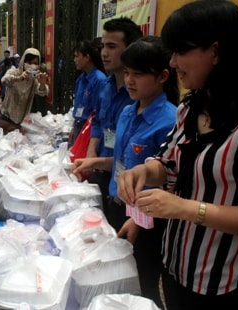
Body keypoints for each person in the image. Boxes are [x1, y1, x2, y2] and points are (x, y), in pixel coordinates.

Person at [117, 1, 238, 309]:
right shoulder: (190, 107)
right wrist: (144, 170)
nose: (175, 62)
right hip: (176, 268)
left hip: (222, 283)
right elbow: (169, 162)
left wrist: (185, 208)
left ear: (216, 51)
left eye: (181, 51)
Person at [73, 35, 179, 308]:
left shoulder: (171, 120)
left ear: (163, 76)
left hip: (147, 222)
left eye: (139, 74)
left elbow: (171, 180)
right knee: (116, 279)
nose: (130, 80)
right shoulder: (128, 112)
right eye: (128, 72)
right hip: (117, 206)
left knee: (141, 286)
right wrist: (94, 162)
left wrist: (141, 218)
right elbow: (124, 163)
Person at [86, 17, 142, 210]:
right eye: (103, 46)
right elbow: (97, 122)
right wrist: (91, 151)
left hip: (126, 188)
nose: (104, 53)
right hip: (100, 173)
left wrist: (94, 161)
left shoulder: (140, 96)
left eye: (111, 46)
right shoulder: (104, 86)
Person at [0, 48, 49, 133]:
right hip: (6, 118)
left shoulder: (33, 81)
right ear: (23, 61)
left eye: (35, 63)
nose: (32, 65)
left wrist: (42, 83)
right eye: (29, 62)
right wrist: (19, 78)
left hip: (21, 122)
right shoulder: (14, 72)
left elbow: (42, 92)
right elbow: (4, 80)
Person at [71, 40, 107, 143]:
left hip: (90, 128)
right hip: (79, 125)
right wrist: (74, 127)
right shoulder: (81, 79)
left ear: (87, 57)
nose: (75, 60)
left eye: (77, 56)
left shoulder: (99, 80)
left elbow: (97, 112)